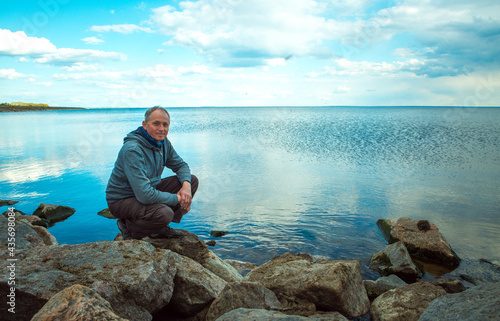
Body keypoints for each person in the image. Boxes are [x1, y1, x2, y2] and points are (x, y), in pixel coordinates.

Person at [106, 106, 198, 240]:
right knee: (164, 213)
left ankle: (159, 227)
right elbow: (145, 195)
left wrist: (186, 188)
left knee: (191, 180)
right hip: (122, 200)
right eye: (156, 123)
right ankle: (130, 227)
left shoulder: (163, 142)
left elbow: (181, 165)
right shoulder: (133, 150)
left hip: (147, 190)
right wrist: (180, 199)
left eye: (165, 125)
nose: (162, 129)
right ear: (145, 124)